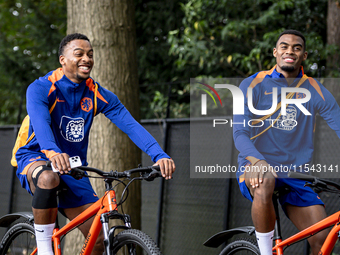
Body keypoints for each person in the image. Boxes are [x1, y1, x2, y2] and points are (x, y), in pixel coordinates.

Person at [15, 33, 175, 255]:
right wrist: (52, 151)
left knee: (99, 238)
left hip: (73, 167)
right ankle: (44, 249)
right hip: (37, 156)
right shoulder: (41, 87)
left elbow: (131, 125)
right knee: (48, 177)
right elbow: (41, 124)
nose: (86, 59)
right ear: (62, 59)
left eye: (90, 54)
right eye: (78, 53)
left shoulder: (97, 93)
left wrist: (159, 155)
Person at [234, 30, 340, 255]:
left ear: (304, 56)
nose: (290, 51)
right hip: (256, 166)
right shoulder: (252, 84)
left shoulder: (314, 88)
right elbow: (239, 133)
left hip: (295, 174)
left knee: (323, 240)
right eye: (284, 46)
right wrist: (259, 161)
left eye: (297, 48)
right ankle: (265, 252)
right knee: (266, 178)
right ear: (275, 52)